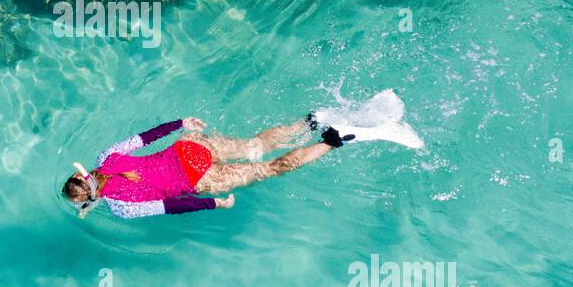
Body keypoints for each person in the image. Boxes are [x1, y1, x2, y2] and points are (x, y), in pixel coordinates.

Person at [62, 113, 354, 219]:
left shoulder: (122, 208)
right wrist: (181, 124)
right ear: (80, 173)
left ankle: (331, 141)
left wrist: (213, 204)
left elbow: (173, 207)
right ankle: (309, 122)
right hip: (192, 146)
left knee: (270, 168)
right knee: (255, 147)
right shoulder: (107, 156)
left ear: (91, 197)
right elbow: (147, 137)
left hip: (206, 178)